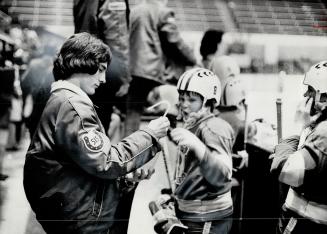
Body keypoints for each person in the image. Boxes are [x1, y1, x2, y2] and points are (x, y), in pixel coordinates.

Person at [23, 32, 170, 234]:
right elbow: (106, 161)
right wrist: (150, 134)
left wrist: (125, 178)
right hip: (79, 215)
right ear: (82, 63)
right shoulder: (73, 106)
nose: (102, 79)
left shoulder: (61, 100)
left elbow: (85, 162)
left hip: (67, 206)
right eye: (100, 70)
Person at [169, 67, 234, 233]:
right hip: (191, 215)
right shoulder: (192, 124)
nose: (184, 105)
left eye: (191, 100)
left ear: (208, 102)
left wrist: (199, 147)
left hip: (207, 220)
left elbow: (223, 175)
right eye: (182, 98)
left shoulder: (214, 127)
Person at [270, 60, 327, 234]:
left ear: (323, 97)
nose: (305, 95)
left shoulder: (324, 132)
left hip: (306, 222)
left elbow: (287, 172)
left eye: (310, 89)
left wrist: (297, 130)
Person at [126, 0, 196, 136]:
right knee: (171, 108)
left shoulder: (134, 11)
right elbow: (174, 41)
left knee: (132, 114)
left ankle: (129, 150)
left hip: (133, 70)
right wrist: (192, 58)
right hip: (153, 71)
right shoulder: (163, 12)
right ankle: (175, 142)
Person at [73, 0, 131, 132]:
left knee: (83, 124)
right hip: (103, 69)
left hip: (81, 65)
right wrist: (124, 77)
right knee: (99, 126)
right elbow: (117, 38)